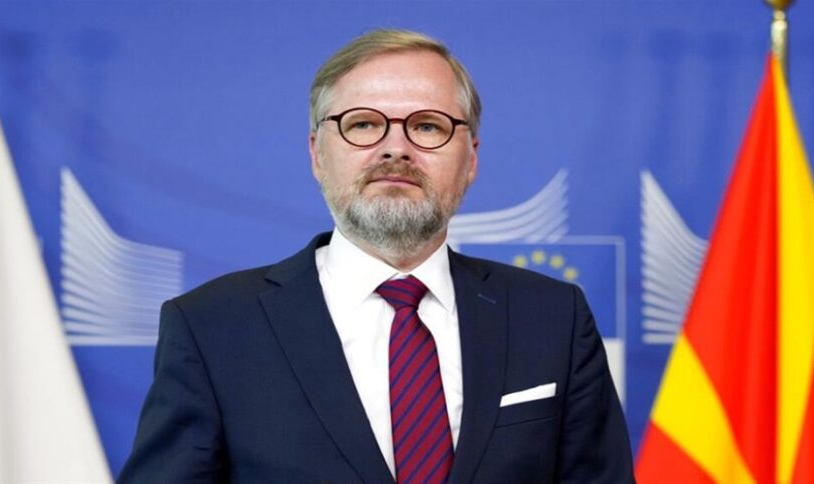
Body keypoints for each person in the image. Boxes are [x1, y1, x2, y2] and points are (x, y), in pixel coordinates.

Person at [118, 29, 634, 483]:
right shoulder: (212, 327)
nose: (396, 148)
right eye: (363, 124)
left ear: (471, 159)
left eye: (428, 126)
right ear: (317, 153)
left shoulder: (553, 318)